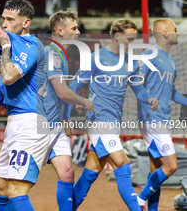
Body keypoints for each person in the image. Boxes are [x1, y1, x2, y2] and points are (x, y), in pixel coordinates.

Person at [65, 19, 158, 210]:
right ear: (117, 36)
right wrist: (66, 115)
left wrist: (149, 98)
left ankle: (67, 208)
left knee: (91, 172)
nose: (132, 44)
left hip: (114, 121)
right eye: (129, 39)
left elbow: (138, 90)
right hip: (98, 119)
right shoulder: (96, 57)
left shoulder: (131, 62)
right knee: (123, 166)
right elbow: (73, 85)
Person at [0, 0, 49, 211]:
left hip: (31, 123)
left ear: (25, 23)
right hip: (15, 122)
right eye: (3, 18)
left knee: (16, 190)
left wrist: (5, 47)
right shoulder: (9, 46)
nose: (4, 24)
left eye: (10, 20)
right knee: (1, 187)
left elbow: (9, 77)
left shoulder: (31, 45)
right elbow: (2, 88)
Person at [42, 10, 95, 211]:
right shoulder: (52, 54)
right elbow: (62, 92)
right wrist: (85, 101)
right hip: (42, 125)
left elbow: (59, 95)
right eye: (74, 28)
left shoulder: (60, 54)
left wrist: (65, 118)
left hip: (55, 125)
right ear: (60, 31)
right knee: (17, 183)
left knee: (67, 173)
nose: (78, 32)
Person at [136, 19, 187, 211]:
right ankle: (139, 199)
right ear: (165, 32)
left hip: (163, 119)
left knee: (156, 170)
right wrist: (148, 101)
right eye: (175, 29)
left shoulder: (171, 61)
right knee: (171, 166)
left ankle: (151, 209)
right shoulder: (150, 54)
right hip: (152, 119)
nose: (177, 32)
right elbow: (136, 80)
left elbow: (172, 92)